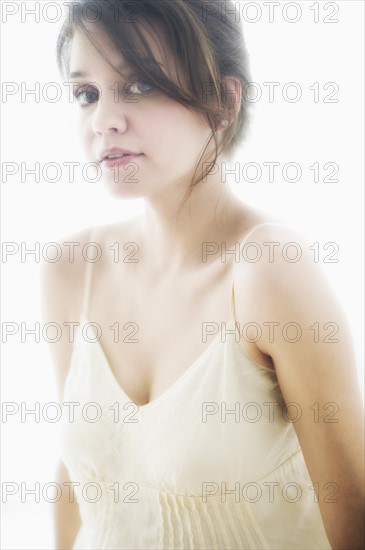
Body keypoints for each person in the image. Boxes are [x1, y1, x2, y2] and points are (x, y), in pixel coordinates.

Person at [41, 1, 364, 548]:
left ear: (223, 101)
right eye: (86, 94)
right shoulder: (73, 271)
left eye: (139, 85)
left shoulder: (269, 273)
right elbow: (79, 476)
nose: (103, 121)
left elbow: (354, 514)